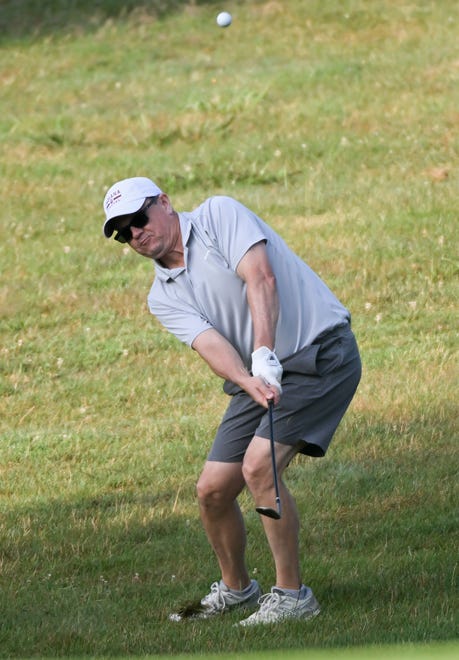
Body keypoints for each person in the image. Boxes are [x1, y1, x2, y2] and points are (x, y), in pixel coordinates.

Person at [102, 176, 361, 626]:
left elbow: (261, 278)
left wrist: (263, 352)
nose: (136, 234)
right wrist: (248, 378)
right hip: (258, 374)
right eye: (124, 233)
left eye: (139, 219)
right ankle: (238, 589)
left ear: (164, 202)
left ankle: (293, 596)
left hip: (320, 352)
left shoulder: (218, 215)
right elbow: (211, 346)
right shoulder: (162, 294)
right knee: (212, 491)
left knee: (259, 466)